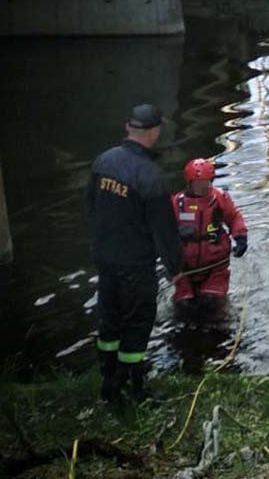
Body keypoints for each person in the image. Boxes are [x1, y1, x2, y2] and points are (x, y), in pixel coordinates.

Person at [87, 104, 183, 404]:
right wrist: (175, 267)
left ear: (128, 127)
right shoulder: (149, 176)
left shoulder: (103, 161)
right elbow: (163, 229)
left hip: (105, 258)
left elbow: (90, 207)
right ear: (154, 132)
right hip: (135, 263)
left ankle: (108, 381)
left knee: (109, 319)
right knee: (138, 321)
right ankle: (135, 388)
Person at [171, 158, 247, 307]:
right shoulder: (177, 203)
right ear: (189, 183)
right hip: (185, 268)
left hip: (215, 265)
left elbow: (234, 217)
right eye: (199, 184)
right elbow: (164, 230)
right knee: (183, 305)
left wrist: (240, 237)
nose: (203, 187)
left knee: (212, 303)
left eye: (206, 183)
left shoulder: (219, 198)